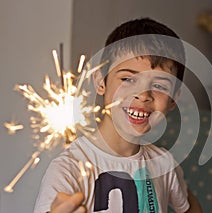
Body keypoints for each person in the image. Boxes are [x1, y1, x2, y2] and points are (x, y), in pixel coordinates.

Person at [34, 17, 202, 213]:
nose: (143, 95)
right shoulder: (68, 169)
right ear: (100, 81)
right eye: (128, 79)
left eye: (159, 86)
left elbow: (189, 207)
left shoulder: (163, 163)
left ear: (174, 98)